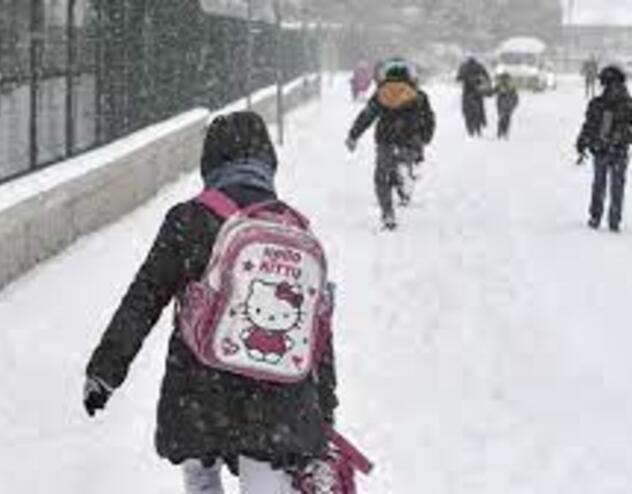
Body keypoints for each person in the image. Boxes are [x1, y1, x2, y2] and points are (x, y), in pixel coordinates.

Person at [83, 111, 339, 493]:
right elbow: (316, 329)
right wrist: (324, 407)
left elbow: (144, 297)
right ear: (268, 162)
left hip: (200, 391)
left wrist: (105, 370)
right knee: (267, 479)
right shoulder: (293, 228)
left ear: (210, 162)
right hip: (276, 399)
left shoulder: (189, 219)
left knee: (202, 476)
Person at [346, 58, 436, 230]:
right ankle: (407, 175)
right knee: (406, 163)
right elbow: (429, 119)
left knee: (381, 178)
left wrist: (353, 136)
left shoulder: (381, 94)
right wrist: (425, 138)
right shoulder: (419, 96)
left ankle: (388, 213)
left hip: (386, 140)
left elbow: (367, 116)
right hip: (410, 140)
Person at [576, 65, 632, 233]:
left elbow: (589, 126)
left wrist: (582, 143)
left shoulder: (598, 103)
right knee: (617, 186)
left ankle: (595, 216)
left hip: (601, 149)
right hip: (619, 150)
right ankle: (614, 219)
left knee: (599, 184)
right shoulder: (630, 104)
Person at [457, 56, 491, 137]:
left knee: (466, 111)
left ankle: (471, 129)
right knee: (480, 110)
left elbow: (458, 78)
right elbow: (487, 77)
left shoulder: (464, 67)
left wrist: (463, 78)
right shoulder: (480, 66)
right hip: (478, 92)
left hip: (467, 92)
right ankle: (480, 125)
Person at [494, 72, 519, 139]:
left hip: (505, 104)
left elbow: (493, 91)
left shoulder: (506, 86)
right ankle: (503, 133)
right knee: (505, 119)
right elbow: (515, 97)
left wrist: (514, 104)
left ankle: (501, 133)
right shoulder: (508, 86)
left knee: (503, 119)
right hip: (506, 105)